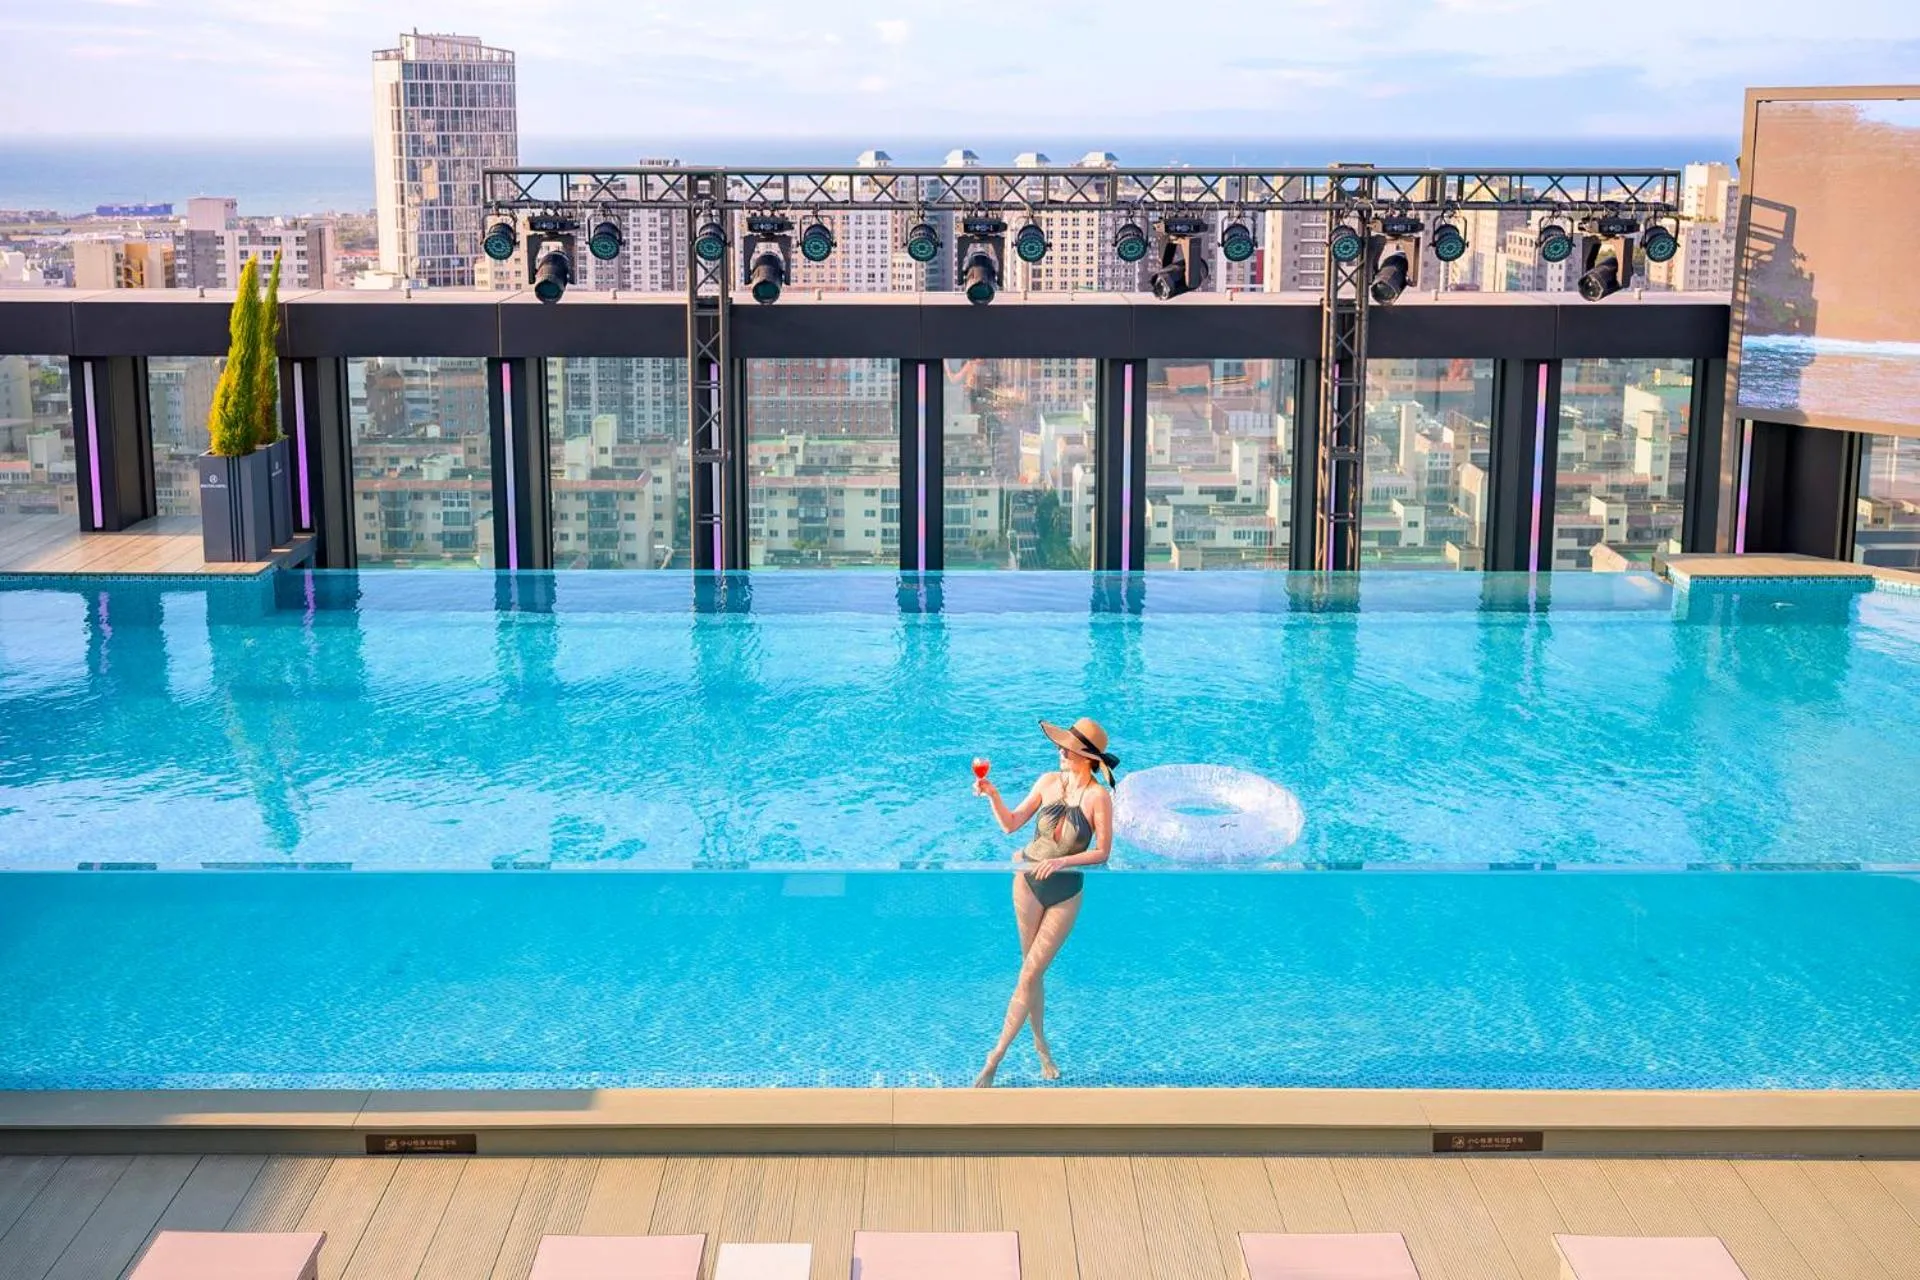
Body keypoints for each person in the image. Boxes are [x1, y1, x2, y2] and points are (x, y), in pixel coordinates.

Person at [971, 717, 1117, 1087]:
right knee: (1029, 975)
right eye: (1060, 746)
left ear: (1085, 757)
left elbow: (1102, 851)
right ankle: (1040, 1045)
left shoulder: (1098, 796)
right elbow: (1011, 825)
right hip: (1026, 882)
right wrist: (993, 796)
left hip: (1064, 892)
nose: (1060, 752)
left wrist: (1062, 861)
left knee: (1031, 973)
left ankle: (995, 1057)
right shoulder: (1047, 782)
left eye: (1067, 748)